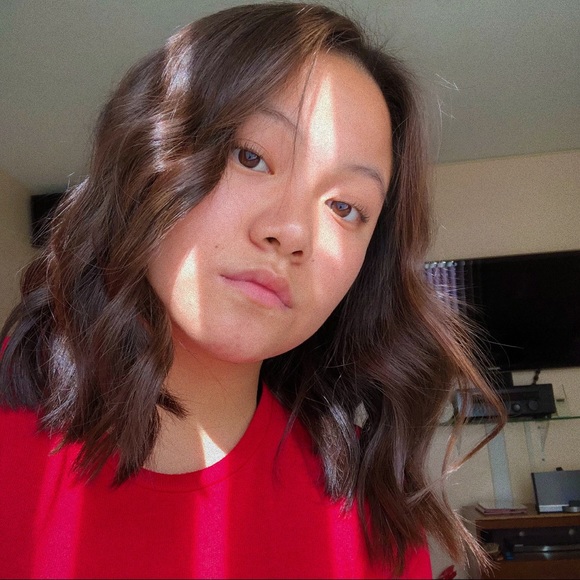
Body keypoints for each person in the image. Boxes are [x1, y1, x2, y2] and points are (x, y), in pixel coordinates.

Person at [0, 3, 504, 578]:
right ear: (147, 157)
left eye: (345, 207)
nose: (291, 231)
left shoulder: (374, 515)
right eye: (251, 157)